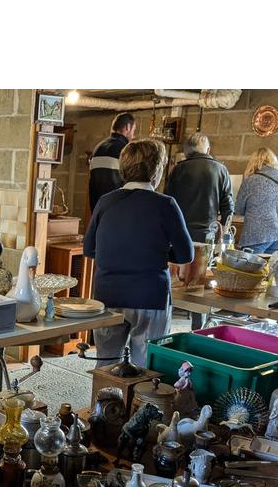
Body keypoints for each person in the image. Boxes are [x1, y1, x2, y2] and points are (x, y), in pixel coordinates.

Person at [83, 138, 194, 368]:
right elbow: (186, 255)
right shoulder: (166, 204)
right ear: (157, 169)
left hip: (109, 294)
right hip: (150, 295)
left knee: (106, 364)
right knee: (146, 367)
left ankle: (105, 391)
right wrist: (158, 252)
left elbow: (89, 249)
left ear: (123, 168)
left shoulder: (105, 202)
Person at [165, 131, 234, 250]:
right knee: (203, 261)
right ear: (208, 150)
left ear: (186, 152)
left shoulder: (177, 169)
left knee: (177, 261)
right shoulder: (221, 170)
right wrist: (223, 233)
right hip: (208, 235)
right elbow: (228, 207)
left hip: (180, 232)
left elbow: (167, 203)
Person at [234, 147, 278, 253]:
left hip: (257, 235)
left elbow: (238, 210)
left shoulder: (250, 181)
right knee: (274, 263)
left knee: (250, 263)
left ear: (253, 162)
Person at [88, 112, 137, 212]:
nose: (133, 135)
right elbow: (131, 183)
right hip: (118, 209)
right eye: (133, 130)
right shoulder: (126, 150)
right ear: (128, 127)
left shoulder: (98, 148)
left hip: (98, 208)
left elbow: (92, 184)